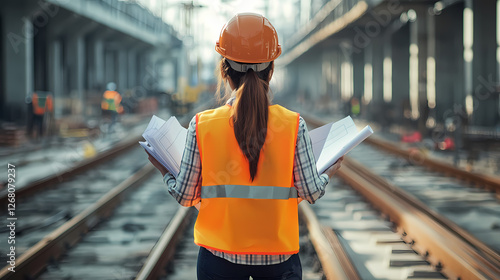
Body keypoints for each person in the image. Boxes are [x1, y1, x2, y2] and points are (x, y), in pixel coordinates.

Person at [146, 13, 344, 280]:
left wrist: (165, 171)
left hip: (219, 258)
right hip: (279, 260)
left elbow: (185, 196)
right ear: (271, 70)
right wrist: (329, 172)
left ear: (224, 71)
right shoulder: (293, 124)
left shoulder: (202, 124)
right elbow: (310, 191)